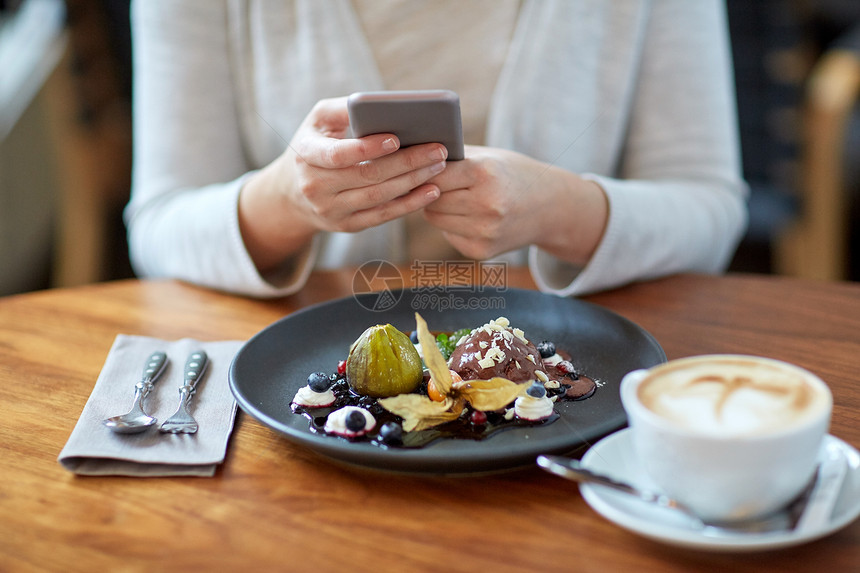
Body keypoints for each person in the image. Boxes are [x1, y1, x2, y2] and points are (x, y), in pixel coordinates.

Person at [126, 0, 747, 298]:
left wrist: (561, 209)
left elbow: (710, 211)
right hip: (304, 392)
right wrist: (288, 201)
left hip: (570, 388)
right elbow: (159, 227)